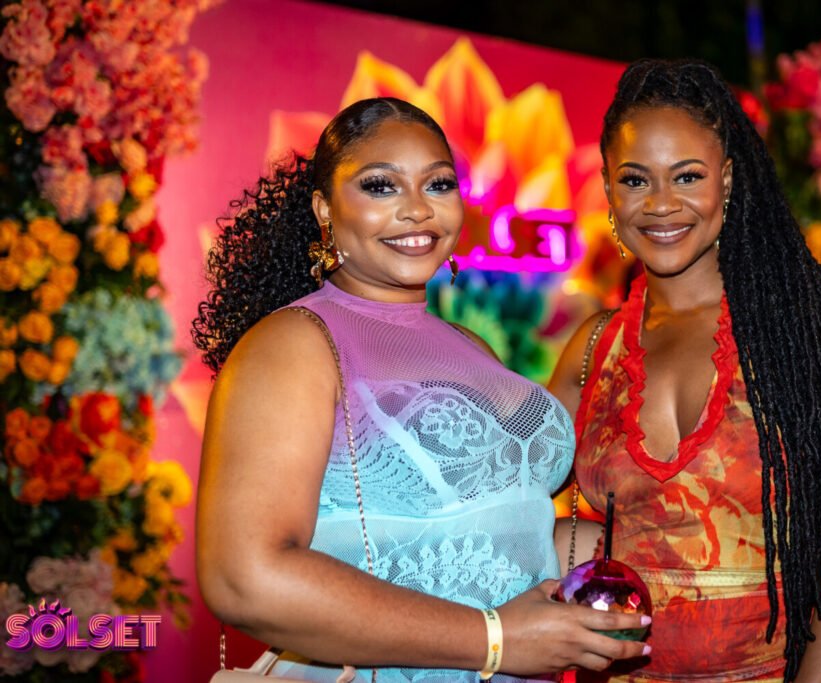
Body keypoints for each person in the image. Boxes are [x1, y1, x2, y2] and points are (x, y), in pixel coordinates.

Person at [193, 97, 650, 683]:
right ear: (324, 208)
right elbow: (244, 579)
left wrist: (665, 545)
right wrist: (495, 640)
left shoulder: (470, 346)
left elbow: (500, 534)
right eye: (381, 186)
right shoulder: (293, 344)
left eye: (438, 184)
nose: (417, 209)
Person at [548, 61, 821, 683]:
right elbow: (520, 515)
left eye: (687, 176)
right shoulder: (594, 347)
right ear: (608, 189)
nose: (661, 203)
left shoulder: (810, 329)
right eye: (635, 179)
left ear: (728, 180)